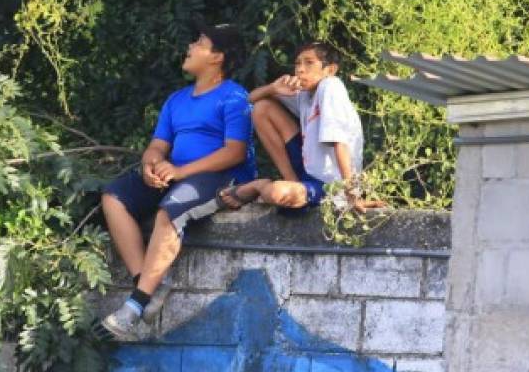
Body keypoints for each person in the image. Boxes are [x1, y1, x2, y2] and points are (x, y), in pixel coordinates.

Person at [100, 21, 256, 340]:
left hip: (218, 177)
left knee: (169, 211)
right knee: (113, 197)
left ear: (217, 57)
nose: (190, 47)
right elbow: (157, 146)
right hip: (175, 173)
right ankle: (146, 281)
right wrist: (151, 164)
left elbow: (235, 152)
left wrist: (180, 172)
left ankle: (134, 306)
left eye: (199, 42)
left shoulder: (234, 97)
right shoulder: (177, 99)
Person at [217, 41, 383, 215]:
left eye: (309, 63)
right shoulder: (305, 93)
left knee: (275, 192)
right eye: (297, 63)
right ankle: (291, 181)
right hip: (306, 170)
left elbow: (339, 141)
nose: (300, 69)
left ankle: (260, 185)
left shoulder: (331, 86)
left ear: (330, 70)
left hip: (331, 183)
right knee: (262, 108)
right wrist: (274, 87)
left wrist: (352, 193)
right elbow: (251, 99)